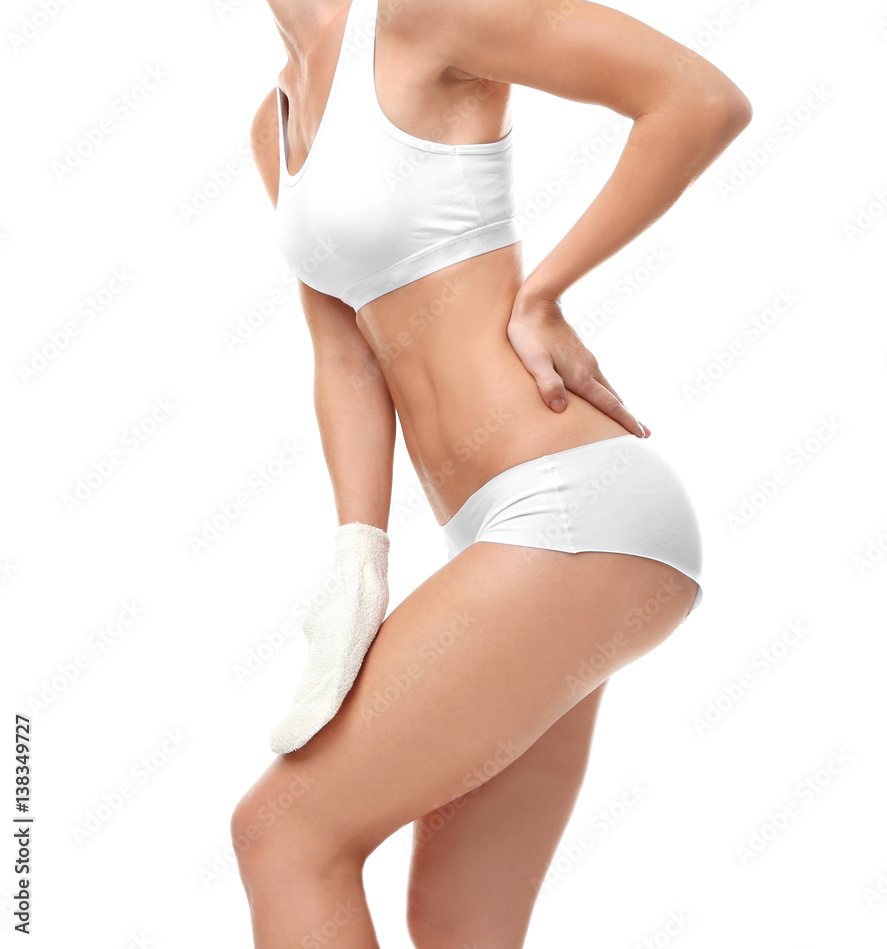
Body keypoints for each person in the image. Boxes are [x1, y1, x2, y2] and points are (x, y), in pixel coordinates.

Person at [231, 0, 752, 943]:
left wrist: (546, 291)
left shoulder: (422, 14)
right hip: (505, 532)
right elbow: (345, 356)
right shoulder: (272, 124)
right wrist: (361, 557)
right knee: (461, 922)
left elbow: (698, 99)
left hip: (572, 500)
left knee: (284, 831)